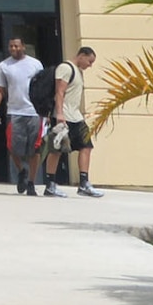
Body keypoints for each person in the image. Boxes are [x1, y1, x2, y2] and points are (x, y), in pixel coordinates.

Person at [41, 45, 104, 198]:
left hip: (75, 117)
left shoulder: (78, 71)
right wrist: (60, 113)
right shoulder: (66, 68)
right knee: (57, 150)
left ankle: (84, 183)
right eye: (89, 61)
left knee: (86, 146)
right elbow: (59, 91)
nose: (90, 65)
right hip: (64, 116)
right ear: (82, 55)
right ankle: (50, 185)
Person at [0, 36, 45, 196]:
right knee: (13, 147)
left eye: (16, 46)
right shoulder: (4, 66)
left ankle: (32, 183)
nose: (13, 49)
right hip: (14, 112)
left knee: (35, 149)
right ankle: (22, 171)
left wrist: (45, 108)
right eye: (11, 47)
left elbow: (43, 86)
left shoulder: (35, 64)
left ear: (23, 47)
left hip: (34, 112)